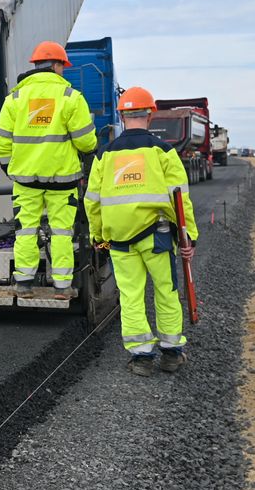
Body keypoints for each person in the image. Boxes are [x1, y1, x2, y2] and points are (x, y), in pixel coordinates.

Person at [84, 86, 197, 376]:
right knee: (166, 291)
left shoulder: (104, 155)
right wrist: (188, 236)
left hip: (119, 239)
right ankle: (171, 353)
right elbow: (179, 197)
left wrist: (98, 236)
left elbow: (92, 201)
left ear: (121, 116)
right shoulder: (163, 151)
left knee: (130, 295)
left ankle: (141, 358)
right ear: (150, 115)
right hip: (156, 236)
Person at [0, 41, 97, 298]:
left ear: (36, 66)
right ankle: (62, 287)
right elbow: (87, 142)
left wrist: (11, 169)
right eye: (63, 66)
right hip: (63, 180)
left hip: (26, 180)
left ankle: (24, 284)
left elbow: (1, 142)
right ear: (57, 65)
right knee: (62, 232)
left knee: (26, 230)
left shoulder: (15, 99)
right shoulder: (71, 97)